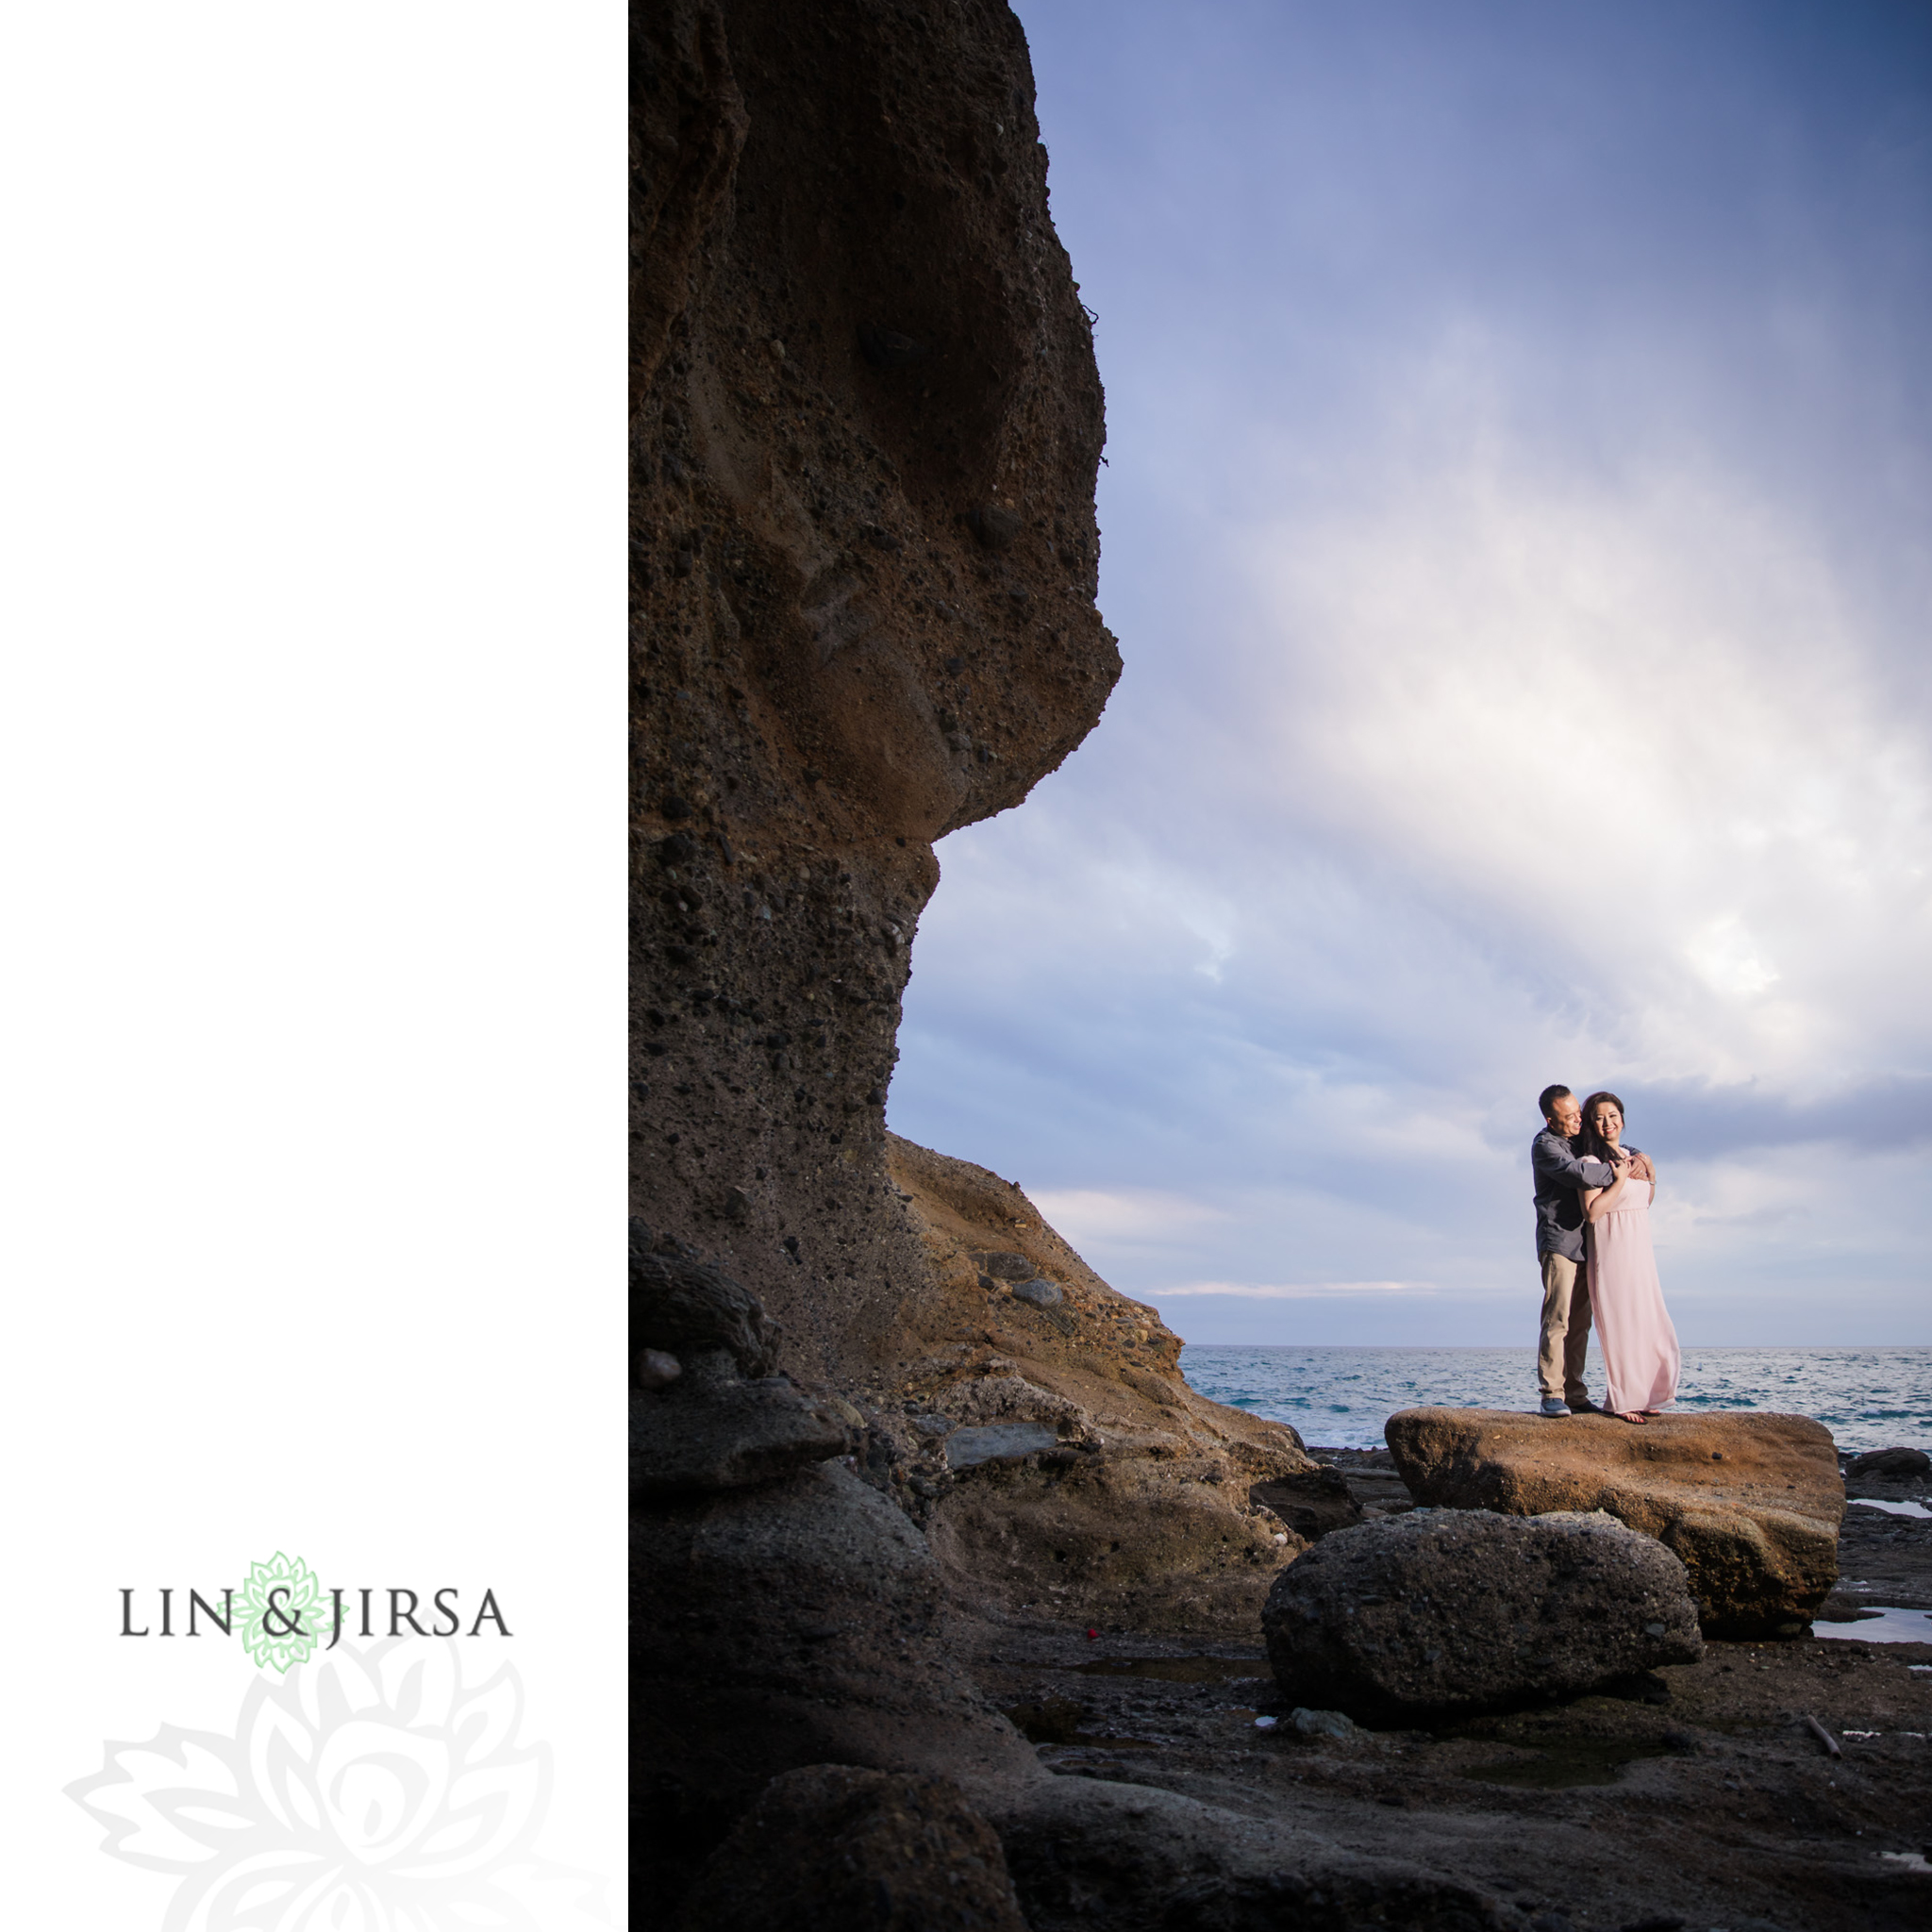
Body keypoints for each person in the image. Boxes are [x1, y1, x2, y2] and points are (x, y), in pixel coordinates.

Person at [1530, 1084, 1654, 1418]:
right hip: (1560, 1241)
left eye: (1578, 1114)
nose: (1577, 1121)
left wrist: (1637, 1158)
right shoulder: (1545, 1146)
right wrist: (1624, 1171)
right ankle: (1551, 1393)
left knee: (1580, 1322)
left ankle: (1575, 1392)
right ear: (1550, 1119)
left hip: (1589, 1245)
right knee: (1558, 1318)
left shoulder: (1577, 1136)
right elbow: (1580, 1173)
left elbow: (1613, 1147)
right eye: (1569, 1117)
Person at [1577, 1091, 1679, 1423]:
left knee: (1648, 1318)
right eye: (1599, 1117)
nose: (1607, 1123)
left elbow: (1644, 1202)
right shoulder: (1591, 1163)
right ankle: (1621, 1401)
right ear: (1591, 1124)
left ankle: (1648, 1394)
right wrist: (1619, 1181)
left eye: (1613, 1115)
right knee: (1621, 1322)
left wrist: (1651, 1174)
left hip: (1640, 1246)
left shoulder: (1631, 1156)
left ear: (1623, 1118)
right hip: (1612, 1247)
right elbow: (1592, 1213)